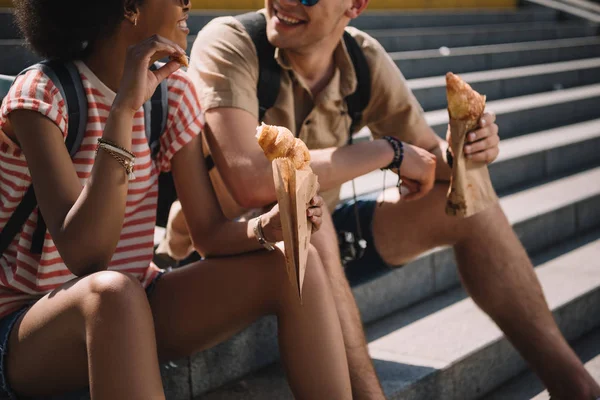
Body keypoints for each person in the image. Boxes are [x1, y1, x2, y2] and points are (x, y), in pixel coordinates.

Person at [159, 0, 600, 399]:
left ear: (355, 5)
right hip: (218, 258)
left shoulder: (362, 59)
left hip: (319, 253)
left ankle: (573, 385)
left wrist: (471, 147)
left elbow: (430, 161)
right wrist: (384, 151)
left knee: (471, 200)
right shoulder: (231, 41)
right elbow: (253, 180)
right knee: (304, 205)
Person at [0, 0, 353, 398]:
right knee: (111, 293)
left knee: (291, 264)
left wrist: (266, 226)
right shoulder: (43, 96)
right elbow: (86, 257)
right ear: (129, 6)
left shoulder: (173, 92)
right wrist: (124, 110)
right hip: (24, 326)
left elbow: (208, 234)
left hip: (133, 303)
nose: (188, 2)